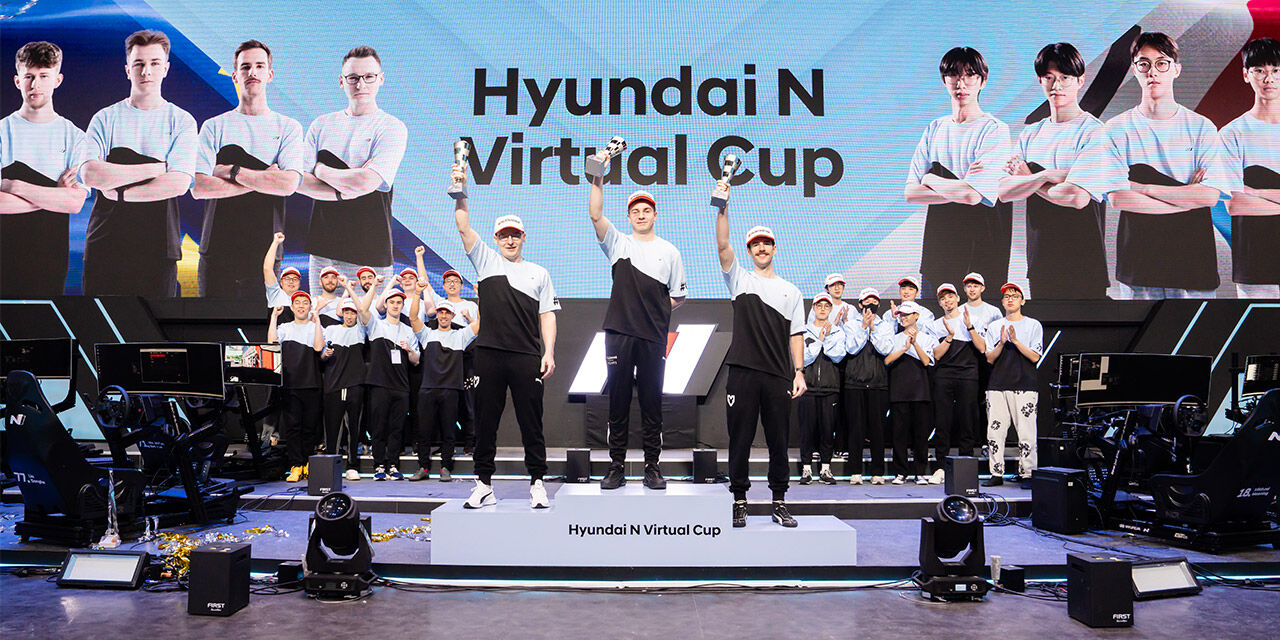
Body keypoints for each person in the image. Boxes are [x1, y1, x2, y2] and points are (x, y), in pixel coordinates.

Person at [1074, 32, 1231, 299]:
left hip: (1193, 263)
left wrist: (1141, 187)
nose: (1153, 72)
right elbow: (1119, 199)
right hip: (1139, 267)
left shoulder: (1201, 128)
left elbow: (1208, 196)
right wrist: (1186, 197)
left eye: (1162, 63)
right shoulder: (1116, 129)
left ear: (1176, 69)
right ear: (1134, 70)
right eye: (1144, 63)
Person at [451, 163, 559, 510]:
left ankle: (538, 483)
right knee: (485, 423)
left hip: (526, 356)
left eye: (515, 235)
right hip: (489, 355)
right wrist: (461, 190)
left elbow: (547, 315)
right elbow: (463, 226)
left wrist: (548, 352)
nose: (509, 240)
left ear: (523, 237)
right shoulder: (486, 262)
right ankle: (483, 484)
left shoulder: (539, 273)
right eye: (503, 235)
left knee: (531, 423)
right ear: (496, 239)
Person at [588, 156, 687, 490]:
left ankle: (652, 467)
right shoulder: (618, 243)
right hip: (619, 333)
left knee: (651, 402)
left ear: (655, 215)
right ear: (629, 217)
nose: (641, 215)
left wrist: (654, 311)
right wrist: (598, 176)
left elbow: (678, 296)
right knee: (617, 402)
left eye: (646, 210)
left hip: (653, 337)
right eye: (635, 211)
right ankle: (616, 466)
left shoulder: (670, 252)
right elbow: (595, 214)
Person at [714, 179, 806, 528]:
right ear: (750, 251)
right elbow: (723, 244)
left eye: (766, 243)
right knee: (739, 440)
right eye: (755, 244)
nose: (761, 248)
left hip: (778, 375)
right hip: (743, 373)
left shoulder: (791, 291)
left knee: (779, 442)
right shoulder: (739, 280)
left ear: (774, 249)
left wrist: (799, 372)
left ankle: (779, 502)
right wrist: (723, 206)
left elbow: (796, 334)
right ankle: (739, 500)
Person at [79, 30, 196, 296]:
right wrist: (158, 168)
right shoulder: (105, 118)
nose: (146, 71)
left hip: (159, 248)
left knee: (154, 324)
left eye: (154, 63)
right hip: (105, 244)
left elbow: (178, 184)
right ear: (127, 69)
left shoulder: (182, 121)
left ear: (165, 69)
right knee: (99, 321)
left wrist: (119, 191)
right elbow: (91, 175)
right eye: (139, 63)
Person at [192, 39, 304, 299]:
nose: (252, 72)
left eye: (259, 66)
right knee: (212, 324)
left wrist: (230, 171)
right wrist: (265, 179)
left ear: (270, 74)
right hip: (216, 250)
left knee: (263, 325)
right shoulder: (214, 126)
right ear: (235, 75)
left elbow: (288, 185)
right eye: (245, 67)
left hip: (266, 251)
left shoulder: (288, 127)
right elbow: (198, 187)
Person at [997, 42, 1109, 299]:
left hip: (1085, 262)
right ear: (1040, 81)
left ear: (1080, 80)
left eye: (1064, 77)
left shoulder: (1094, 132)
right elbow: (1003, 192)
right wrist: (1049, 175)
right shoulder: (1031, 134)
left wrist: (1030, 179)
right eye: (1049, 77)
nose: (1056, 85)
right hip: (1041, 263)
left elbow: (1077, 198)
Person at [297, 46, 407, 293]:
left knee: (371, 319)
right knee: (322, 317)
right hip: (323, 252)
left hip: (370, 252)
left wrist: (320, 170)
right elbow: (299, 181)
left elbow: (364, 183)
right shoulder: (321, 125)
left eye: (369, 77)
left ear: (381, 79)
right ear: (341, 81)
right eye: (353, 78)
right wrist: (344, 189)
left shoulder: (391, 127)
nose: (361, 84)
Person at [904, 46, 1012, 291]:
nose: (961, 84)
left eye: (970, 75)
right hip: (938, 251)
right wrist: (962, 186)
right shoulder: (935, 128)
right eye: (954, 75)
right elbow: (910, 193)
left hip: (981, 252)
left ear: (982, 81)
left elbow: (972, 196)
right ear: (944, 80)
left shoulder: (994, 129)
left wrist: (930, 178)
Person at [0, 41, 90, 299]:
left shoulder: (75, 138)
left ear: (57, 80)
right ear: (17, 81)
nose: (35, 85)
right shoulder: (2, 132)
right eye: (29, 76)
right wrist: (54, 196)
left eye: (43, 76)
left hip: (50, 262)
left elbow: (74, 203)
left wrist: (14, 186)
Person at [1220, 37, 1280, 298]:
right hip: (1255, 263)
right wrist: (1246, 197)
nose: (1269, 78)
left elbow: (1246, 198)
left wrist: (1255, 193)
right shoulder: (1232, 134)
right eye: (1259, 70)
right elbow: (1235, 204)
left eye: (1276, 70)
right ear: (1246, 75)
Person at [408, 292, 479, 481]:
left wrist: (482, 295)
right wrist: (417, 293)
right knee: (424, 431)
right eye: (441, 312)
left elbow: (480, 323)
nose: (444, 316)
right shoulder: (427, 334)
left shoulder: (461, 336)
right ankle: (423, 467)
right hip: (428, 389)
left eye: (447, 313)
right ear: (437, 314)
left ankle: (446, 467)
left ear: (452, 316)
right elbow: (413, 318)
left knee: (449, 432)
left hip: (451, 390)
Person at [354, 280, 420, 481]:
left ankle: (393, 465)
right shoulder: (377, 325)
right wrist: (375, 285)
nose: (395, 305)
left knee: (397, 428)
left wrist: (409, 350)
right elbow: (362, 309)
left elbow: (416, 360)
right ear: (386, 304)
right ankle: (379, 465)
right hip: (379, 384)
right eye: (392, 302)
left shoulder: (408, 330)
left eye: (399, 302)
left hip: (401, 386)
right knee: (379, 427)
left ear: (403, 305)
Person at [982, 283, 1044, 488]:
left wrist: (1016, 341)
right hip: (997, 384)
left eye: (1014, 296)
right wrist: (1001, 342)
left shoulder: (1033, 325)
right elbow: (989, 358)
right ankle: (996, 472)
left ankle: (1027, 473)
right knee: (995, 432)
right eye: (1007, 296)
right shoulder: (994, 326)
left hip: (1025, 384)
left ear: (1022, 301)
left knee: (1026, 432)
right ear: (1002, 302)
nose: (1010, 299)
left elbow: (1035, 356)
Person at [926, 283, 987, 482]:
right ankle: (940, 468)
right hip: (944, 375)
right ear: (939, 303)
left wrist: (970, 327)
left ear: (958, 298)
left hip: (968, 374)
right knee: (942, 422)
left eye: (950, 296)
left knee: (967, 420)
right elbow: (936, 355)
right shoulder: (935, 325)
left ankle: (966, 467)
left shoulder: (972, 319)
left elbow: (982, 348)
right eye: (943, 298)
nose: (947, 301)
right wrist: (949, 337)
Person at [268, 291, 324, 482]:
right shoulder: (285, 327)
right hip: (290, 385)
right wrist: (274, 317)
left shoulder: (315, 327)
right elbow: (272, 343)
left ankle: (307, 463)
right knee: (293, 428)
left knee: (310, 428)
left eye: (305, 303)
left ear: (310, 307)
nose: (301, 306)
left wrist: (317, 321)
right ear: (292, 308)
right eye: (297, 303)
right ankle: (296, 465)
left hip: (312, 384)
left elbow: (318, 347)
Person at [843, 287, 894, 485]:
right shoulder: (851, 325)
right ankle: (855, 471)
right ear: (859, 304)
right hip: (854, 383)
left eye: (874, 302)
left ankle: (877, 472)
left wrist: (873, 328)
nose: (870, 305)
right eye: (866, 302)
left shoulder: (885, 326)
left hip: (878, 384)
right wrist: (863, 327)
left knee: (877, 430)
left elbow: (886, 349)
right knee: (855, 428)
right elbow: (851, 349)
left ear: (878, 304)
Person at [885, 300, 939, 485]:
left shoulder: (926, 338)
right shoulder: (894, 338)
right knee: (899, 434)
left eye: (907, 315)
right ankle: (900, 472)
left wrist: (915, 344)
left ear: (916, 316)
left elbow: (927, 361)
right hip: (899, 391)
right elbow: (887, 361)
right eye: (901, 315)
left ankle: (920, 472)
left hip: (920, 392)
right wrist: (904, 348)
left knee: (920, 435)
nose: (903, 318)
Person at [799, 292, 846, 485]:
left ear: (830, 309)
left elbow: (839, 356)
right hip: (808, 388)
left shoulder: (837, 332)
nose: (823, 309)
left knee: (828, 430)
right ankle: (806, 469)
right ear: (813, 308)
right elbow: (804, 358)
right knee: (807, 430)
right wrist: (819, 340)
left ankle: (825, 468)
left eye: (826, 306)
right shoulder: (804, 331)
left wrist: (825, 340)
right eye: (819, 306)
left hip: (830, 387)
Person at [320, 289, 366, 481]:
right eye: (346, 312)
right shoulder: (331, 330)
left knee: (353, 427)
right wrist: (325, 355)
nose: (349, 316)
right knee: (332, 427)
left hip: (355, 384)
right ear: (342, 313)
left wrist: (348, 288)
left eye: (352, 312)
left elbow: (364, 310)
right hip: (333, 385)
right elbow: (321, 354)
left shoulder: (361, 330)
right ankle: (331, 465)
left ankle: (352, 465)